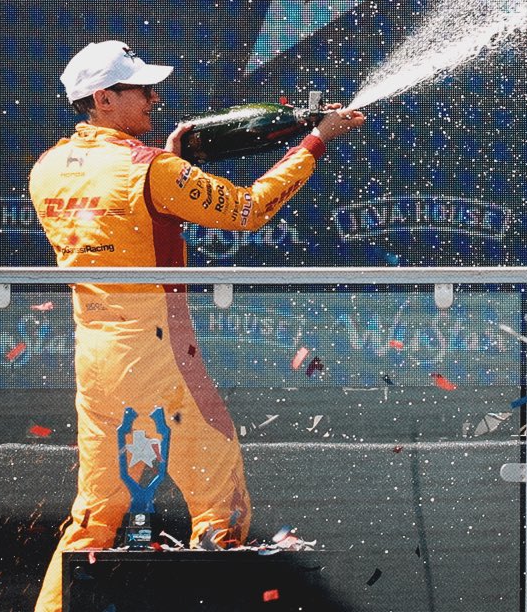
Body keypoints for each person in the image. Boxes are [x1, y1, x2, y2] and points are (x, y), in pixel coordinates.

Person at [28, 40, 364, 612]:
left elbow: (123, 218)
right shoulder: (152, 169)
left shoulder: (48, 168)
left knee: (95, 516)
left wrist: (169, 163)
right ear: (104, 98)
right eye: (141, 90)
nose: (153, 98)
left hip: (96, 361)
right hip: (160, 355)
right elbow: (248, 209)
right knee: (219, 509)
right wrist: (315, 141)